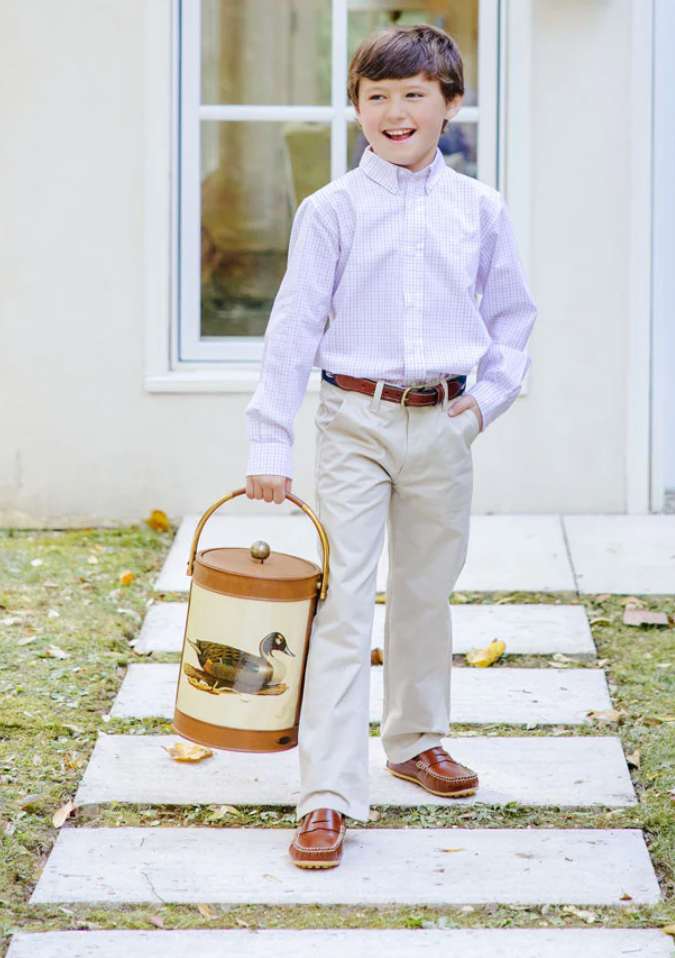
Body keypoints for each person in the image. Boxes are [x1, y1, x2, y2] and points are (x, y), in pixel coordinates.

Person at [244, 24, 537, 869]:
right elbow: (293, 327)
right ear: (357, 108)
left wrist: (482, 407)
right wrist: (271, 440)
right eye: (377, 96)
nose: (395, 111)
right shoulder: (329, 211)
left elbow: (514, 317)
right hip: (355, 425)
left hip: (444, 422)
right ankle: (328, 793)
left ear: (450, 104)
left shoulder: (479, 209)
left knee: (426, 591)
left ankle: (414, 740)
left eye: (415, 95)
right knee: (341, 604)